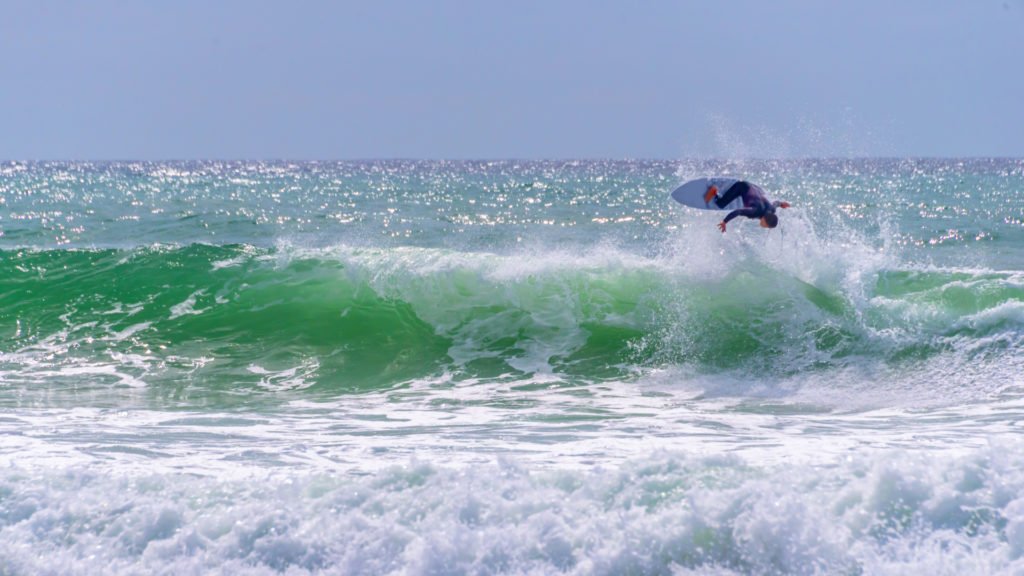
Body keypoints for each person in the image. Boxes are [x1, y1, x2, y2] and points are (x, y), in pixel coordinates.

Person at [702, 179, 791, 233]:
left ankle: (744, 196)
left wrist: (781, 204)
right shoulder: (754, 211)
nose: (766, 227)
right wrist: (725, 222)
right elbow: (738, 212)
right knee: (720, 204)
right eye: (767, 226)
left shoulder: (772, 210)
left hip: (754, 188)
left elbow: (775, 203)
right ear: (764, 220)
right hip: (741, 187)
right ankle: (714, 191)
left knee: (753, 198)